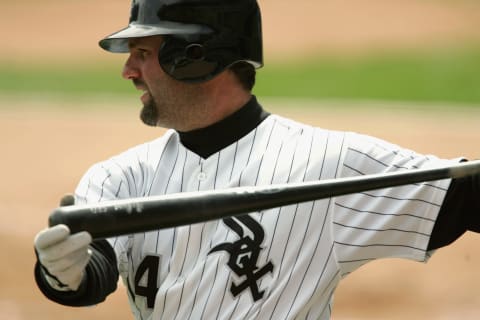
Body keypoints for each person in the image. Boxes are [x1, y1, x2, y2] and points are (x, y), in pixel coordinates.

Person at [34, 0, 479, 319]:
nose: (127, 71)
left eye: (143, 53)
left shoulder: (328, 161)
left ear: (196, 59)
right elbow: (91, 276)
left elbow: (467, 195)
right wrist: (61, 271)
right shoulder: (119, 178)